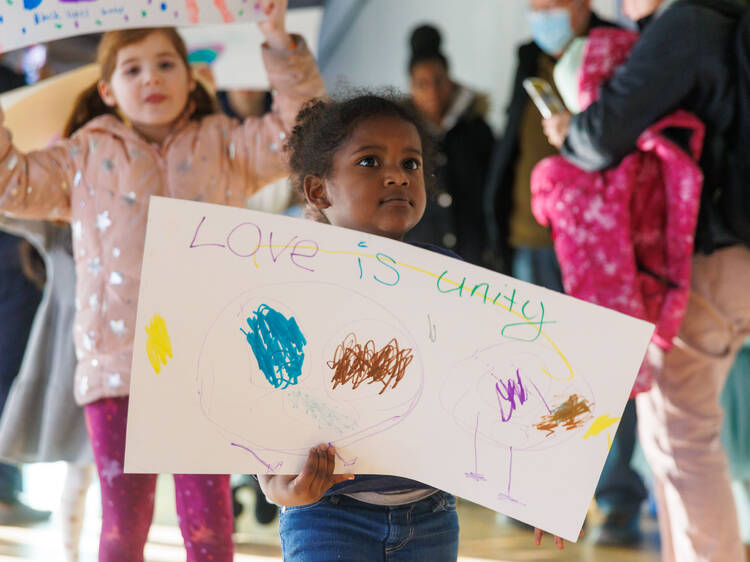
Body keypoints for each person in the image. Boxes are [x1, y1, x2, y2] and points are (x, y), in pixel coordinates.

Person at [0, 0, 325, 558]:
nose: (151, 76)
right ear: (108, 91)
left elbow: (302, 133)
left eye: (165, 64)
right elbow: (10, 184)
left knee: (210, 529)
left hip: (206, 367)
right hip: (116, 368)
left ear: (193, 75)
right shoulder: (83, 154)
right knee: (122, 526)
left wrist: (276, 38)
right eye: (132, 69)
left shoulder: (225, 143)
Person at [257, 92, 566, 560]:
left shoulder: (449, 278)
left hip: (432, 516)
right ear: (319, 191)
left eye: (412, 163)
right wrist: (279, 488)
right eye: (369, 161)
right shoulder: (295, 285)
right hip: (326, 514)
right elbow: (263, 400)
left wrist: (536, 483)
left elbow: (495, 384)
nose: (398, 174)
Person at [542, 0, 750, 560]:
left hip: (707, 258)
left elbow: (605, 131)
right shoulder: (728, 17)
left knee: (681, 437)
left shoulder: (687, 21)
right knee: (688, 433)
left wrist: (568, 132)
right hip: (736, 257)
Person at [485, 0, 647, 546]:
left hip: (599, 240)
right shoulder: (529, 54)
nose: (538, 14)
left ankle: (617, 498)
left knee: (607, 370)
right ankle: (543, 495)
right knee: (536, 374)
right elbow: (515, 140)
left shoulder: (620, 46)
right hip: (532, 238)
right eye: (531, 6)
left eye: (548, 5)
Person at [405, 24, 494, 266]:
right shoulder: (402, 138)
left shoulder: (477, 129)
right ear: (411, 88)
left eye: (438, 80)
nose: (432, 91)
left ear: (450, 80)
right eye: (422, 83)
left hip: (478, 260)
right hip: (423, 263)